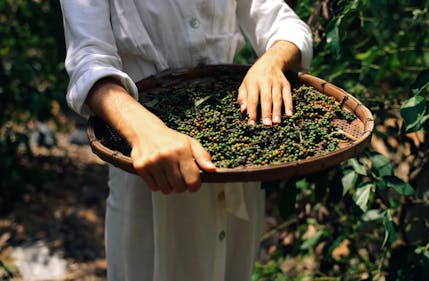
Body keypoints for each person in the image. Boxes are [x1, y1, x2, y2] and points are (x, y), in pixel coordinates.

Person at [60, 0, 312, 280]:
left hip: (237, 167)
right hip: (148, 178)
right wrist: (147, 132)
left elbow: (283, 23)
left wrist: (271, 63)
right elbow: (89, 63)